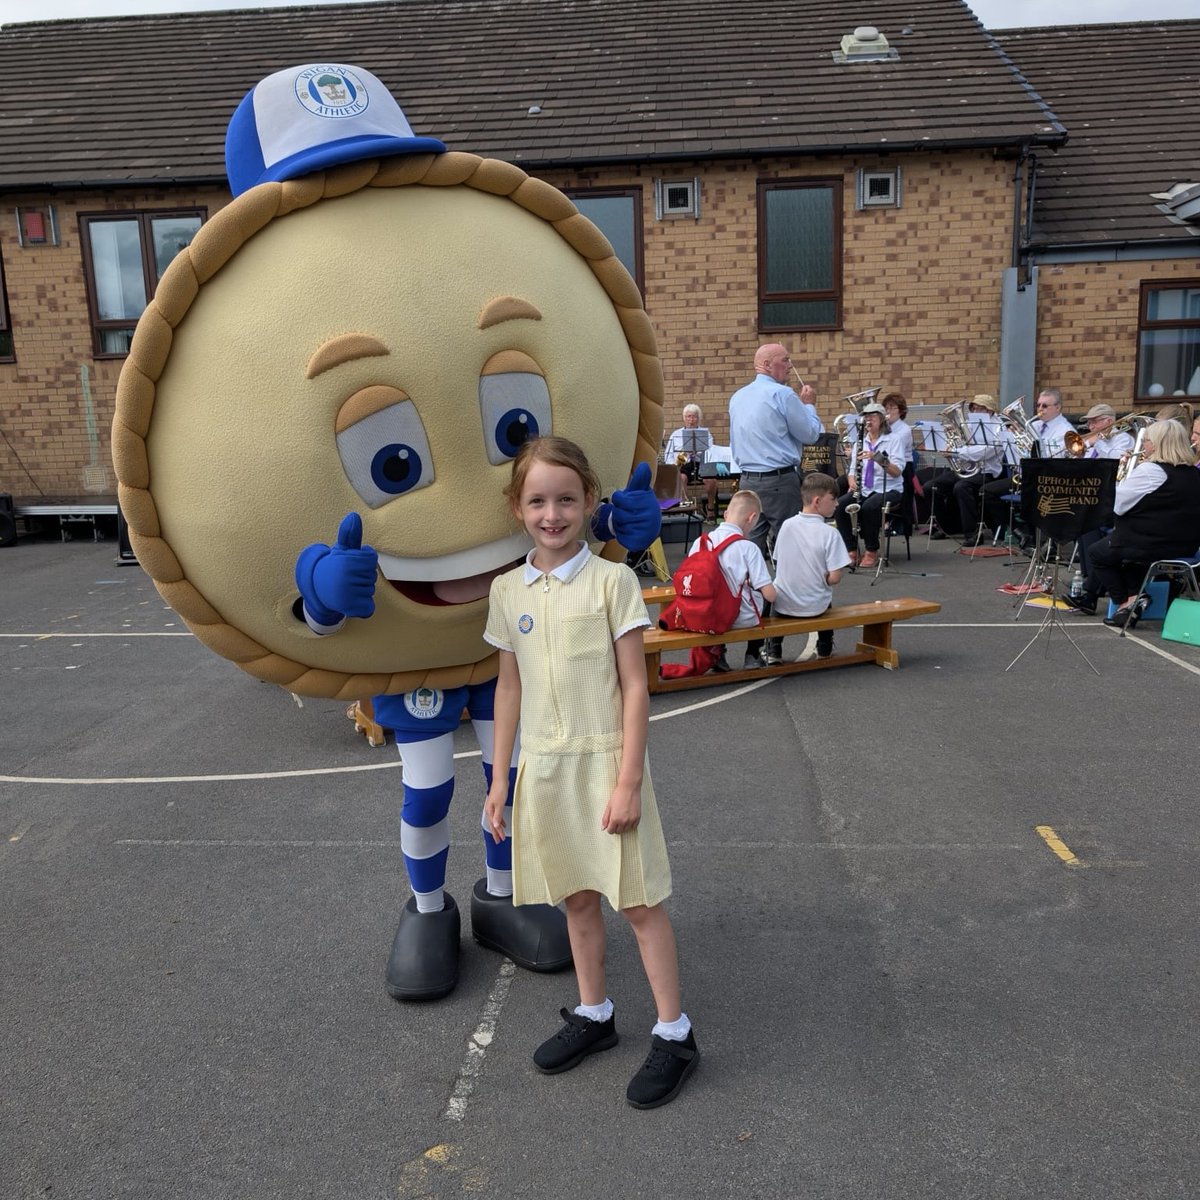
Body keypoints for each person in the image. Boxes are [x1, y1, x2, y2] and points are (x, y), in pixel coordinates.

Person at [483, 436, 699, 1110]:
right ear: (518, 507)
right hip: (544, 769)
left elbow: (636, 686)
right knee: (575, 896)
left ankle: (674, 1033)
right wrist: (499, 781)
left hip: (605, 763)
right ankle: (595, 1013)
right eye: (538, 500)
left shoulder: (613, 581)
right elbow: (509, 690)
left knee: (636, 901)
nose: (553, 513)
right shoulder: (507, 589)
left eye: (566, 499)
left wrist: (629, 779)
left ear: (589, 503)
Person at [728, 343, 821, 664]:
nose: (789, 365)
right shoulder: (784, 396)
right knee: (787, 557)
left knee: (748, 560)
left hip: (749, 482)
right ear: (767, 365)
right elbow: (810, 434)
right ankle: (776, 642)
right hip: (780, 482)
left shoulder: (737, 397)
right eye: (785, 361)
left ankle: (750, 645)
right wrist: (808, 405)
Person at [1060, 421, 1200, 627]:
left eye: (1146, 441)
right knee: (1122, 553)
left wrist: (1123, 476)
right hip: (1186, 545)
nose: (1143, 445)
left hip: (1151, 544)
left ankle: (1128, 602)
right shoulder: (1194, 474)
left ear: (1159, 444)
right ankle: (1129, 599)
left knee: (1097, 552)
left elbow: (1118, 507)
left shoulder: (1151, 471)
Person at [660, 489, 777, 676]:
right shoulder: (748, 548)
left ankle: (718, 652)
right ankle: (753, 654)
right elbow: (769, 594)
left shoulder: (700, 542)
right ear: (752, 518)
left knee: (717, 595)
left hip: (701, 615)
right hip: (738, 619)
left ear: (726, 514)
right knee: (761, 595)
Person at [772, 473, 851, 658]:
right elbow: (834, 578)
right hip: (816, 606)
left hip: (784, 604)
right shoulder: (830, 533)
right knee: (824, 594)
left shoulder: (786, 526)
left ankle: (773, 647)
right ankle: (825, 644)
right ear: (817, 501)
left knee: (777, 586)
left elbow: (779, 560)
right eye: (833, 499)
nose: (837, 503)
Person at [834, 402, 905, 569]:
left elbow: (897, 471)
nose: (868, 420)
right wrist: (852, 482)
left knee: (868, 508)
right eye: (866, 417)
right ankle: (851, 550)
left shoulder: (894, 440)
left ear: (881, 419)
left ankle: (871, 550)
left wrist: (877, 457)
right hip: (865, 488)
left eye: (872, 417)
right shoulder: (860, 442)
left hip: (889, 488)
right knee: (840, 506)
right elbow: (852, 470)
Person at [926, 395, 1005, 541]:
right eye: (973, 408)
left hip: (988, 471)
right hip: (968, 468)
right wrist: (950, 448)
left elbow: (988, 451)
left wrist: (958, 452)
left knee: (962, 487)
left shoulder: (999, 426)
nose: (975, 411)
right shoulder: (969, 424)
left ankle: (973, 533)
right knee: (930, 487)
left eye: (979, 408)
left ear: (989, 410)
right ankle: (948, 526)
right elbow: (960, 445)